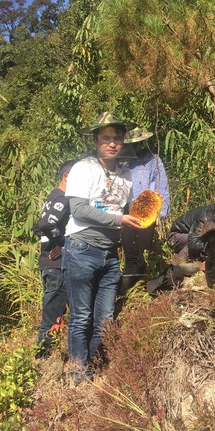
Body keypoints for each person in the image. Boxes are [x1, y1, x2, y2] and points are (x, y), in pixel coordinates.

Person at [62, 112, 144, 384]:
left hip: (110, 252)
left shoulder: (126, 175)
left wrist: (141, 219)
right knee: (81, 316)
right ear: (96, 140)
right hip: (81, 248)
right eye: (106, 138)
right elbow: (80, 210)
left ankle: (95, 367)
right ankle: (77, 374)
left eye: (117, 138)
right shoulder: (83, 168)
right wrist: (120, 219)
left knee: (105, 317)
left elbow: (127, 211)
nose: (112, 143)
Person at [145, 197, 215, 293]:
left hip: (196, 236)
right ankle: (178, 266)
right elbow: (193, 243)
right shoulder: (206, 217)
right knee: (194, 243)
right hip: (177, 236)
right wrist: (211, 248)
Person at [33, 159, 77, 359]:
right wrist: (63, 243)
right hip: (55, 266)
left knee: (54, 314)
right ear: (67, 177)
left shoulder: (53, 197)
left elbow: (36, 228)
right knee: (52, 316)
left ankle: (49, 356)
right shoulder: (63, 198)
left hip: (49, 264)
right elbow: (44, 225)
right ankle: (43, 359)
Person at [121, 127, 170, 290]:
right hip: (126, 212)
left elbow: (161, 187)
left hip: (147, 212)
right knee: (129, 249)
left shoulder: (153, 161)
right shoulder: (121, 161)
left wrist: (160, 213)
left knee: (145, 248)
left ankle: (146, 281)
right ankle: (130, 278)